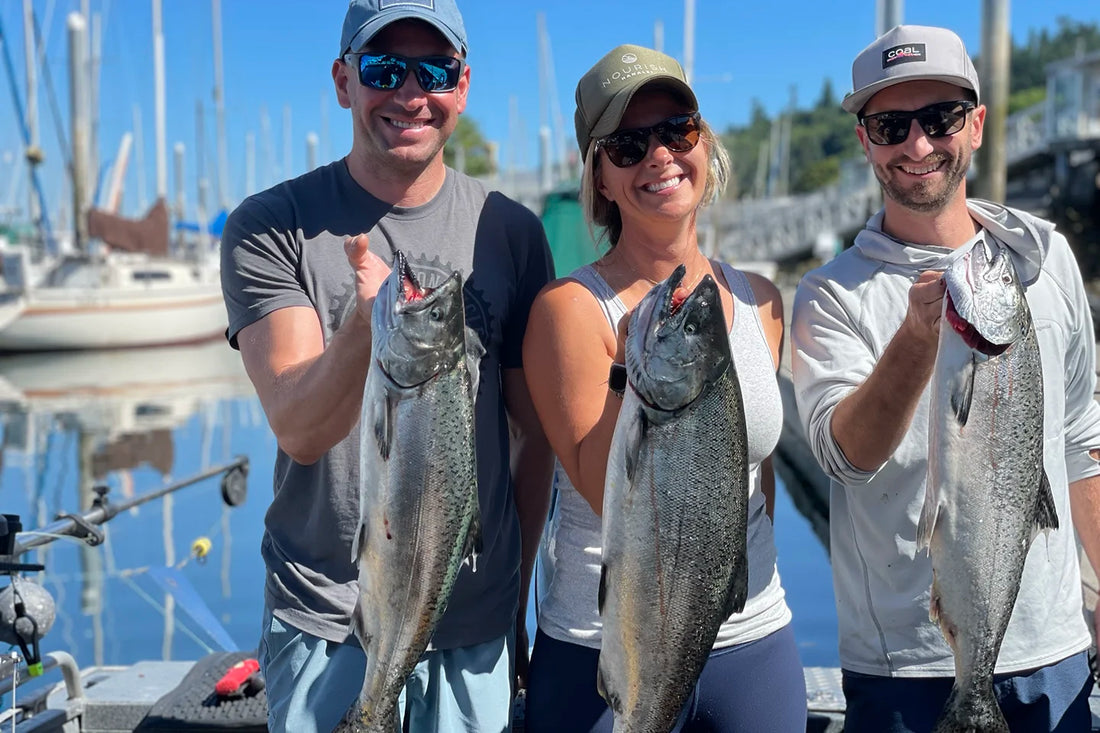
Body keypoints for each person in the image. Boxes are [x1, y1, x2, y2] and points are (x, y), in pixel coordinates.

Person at [219, 0, 555, 730]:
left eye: (433, 70)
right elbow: (300, 429)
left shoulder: (513, 232)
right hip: (324, 616)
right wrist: (365, 332)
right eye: (383, 68)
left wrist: (517, 594)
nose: (410, 92)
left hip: (474, 621)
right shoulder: (269, 225)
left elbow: (535, 441)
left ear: (461, 86)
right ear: (344, 82)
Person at [790, 24, 1100, 733]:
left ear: (978, 125)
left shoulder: (1045, 256)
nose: (919, 144)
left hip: (1056, 649)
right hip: (903, 666)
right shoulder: (831, 294)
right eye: (892, 125)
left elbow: (1084, 436)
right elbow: (845, 457)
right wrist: (916, 337)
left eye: (940, 119)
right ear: (865, 141)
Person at [521, 44, 808, 732]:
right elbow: (601, 488)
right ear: (601, 177)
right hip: (606, 652)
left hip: (751, 640)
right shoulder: (570, 309)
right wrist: (634, 368)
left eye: (677, 131)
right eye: (628, 145)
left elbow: (756, 474)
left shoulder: (762, 299)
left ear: (703, 144)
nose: (659, 156)